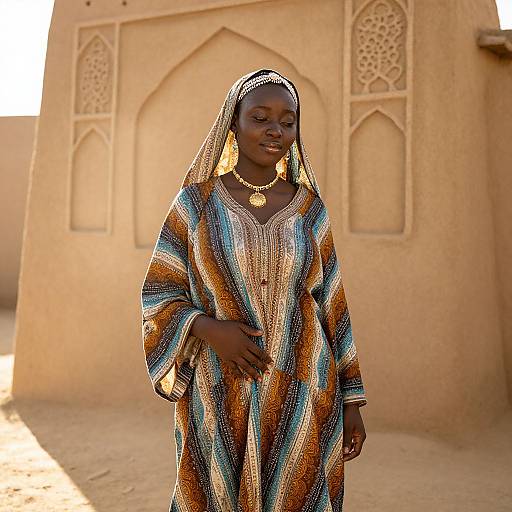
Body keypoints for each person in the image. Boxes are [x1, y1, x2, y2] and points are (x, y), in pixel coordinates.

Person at [141, 68, 367, 512]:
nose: (275, 130)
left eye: (288, 120)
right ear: (233, 122)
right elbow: (157, 293)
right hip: (218, 390)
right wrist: (207, 328)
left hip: (304, 389)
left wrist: (351, 398)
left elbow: (333, 307)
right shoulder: (195, 205)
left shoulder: (309, 208)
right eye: (260, 116)